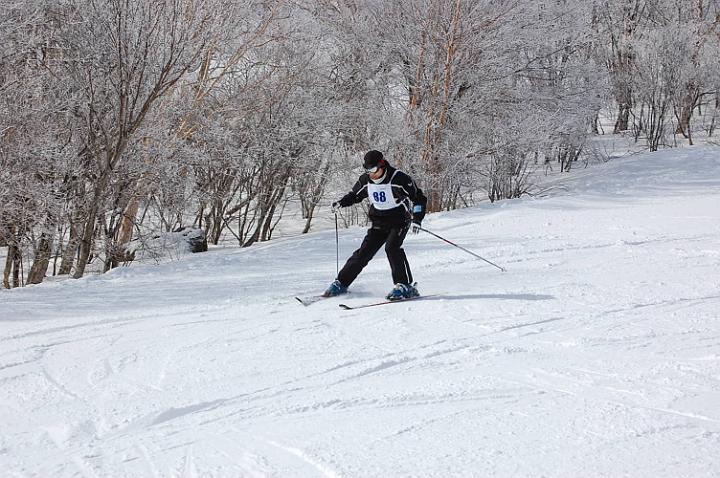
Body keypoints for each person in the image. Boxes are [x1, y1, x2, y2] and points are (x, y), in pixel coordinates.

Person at [324, 150, 427, 300]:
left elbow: (419, 198)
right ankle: (341, 283)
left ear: (382, 165)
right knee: (363, 253)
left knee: (392, 248)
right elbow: (355, 196)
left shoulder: (399, 179)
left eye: (373, 169)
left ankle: (404, 286)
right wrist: (341, 203)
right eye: (367, 170)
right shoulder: (366, 180)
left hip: (399, 221)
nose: (371, 174)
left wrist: (417, 218)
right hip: (379, 222)